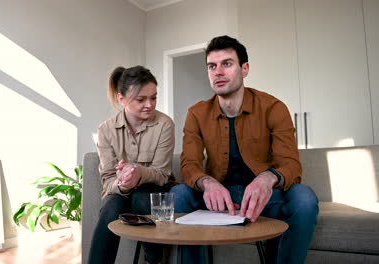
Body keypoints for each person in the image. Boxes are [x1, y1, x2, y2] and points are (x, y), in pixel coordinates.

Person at [170, 35, 319, 264]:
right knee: (178, 194)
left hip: (265, 199)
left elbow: (291, 164)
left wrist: (266, 179)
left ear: (245, 68)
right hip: (218, 201)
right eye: (212, 66)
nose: (218, 72)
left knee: (304, 198)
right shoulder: (196, 114)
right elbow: (189, 165)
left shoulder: (274, 107)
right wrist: (207, 183)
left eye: (227, 64)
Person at [88, 65, 175, 264]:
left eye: (153, 98)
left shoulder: (165, 125)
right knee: (112, 205)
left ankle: (155, 261)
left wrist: (138, 172)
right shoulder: (106, 130)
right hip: (119, 192)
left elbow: (162, 174)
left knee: (141, 199)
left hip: (152, 190)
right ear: (122, 99)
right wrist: (122, 184)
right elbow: (108, 181)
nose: (150, 105)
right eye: (141, 99)